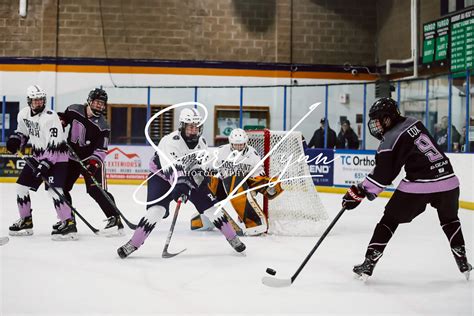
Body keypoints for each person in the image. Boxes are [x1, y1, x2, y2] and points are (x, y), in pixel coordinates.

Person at [342, 98, 472, 280]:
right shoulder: (414, 123)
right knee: (450, 220)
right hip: (449, 181)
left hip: (420, 184)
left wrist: (360, 191)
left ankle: (369, 262)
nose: (376, 125)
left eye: (378, 120)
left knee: (388, 220)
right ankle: (462, 259)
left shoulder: (391, 138)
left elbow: (384, 175)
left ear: (388, 119)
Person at [117, 108, 246, 258]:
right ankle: (133, 243)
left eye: (196, 126)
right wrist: (181, 184)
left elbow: (198, 164)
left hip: (186, 178)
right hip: (161, 176)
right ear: (182, 126)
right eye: (190, 126)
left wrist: (199, 175)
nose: (194, 130)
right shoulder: (170, 141)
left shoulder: (202, 142)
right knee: (156, 211)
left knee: (212, 208)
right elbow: (171, 169)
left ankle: (233, 238)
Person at [6, 85, 77, 240]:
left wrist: (45, 164)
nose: (38, 103)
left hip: (58, 158)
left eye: (40, 100)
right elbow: (22, 132)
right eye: (35, 100)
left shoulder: (51, 117)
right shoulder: (24, 114)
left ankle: (68, 223)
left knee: (54, 190)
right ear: (29, 101)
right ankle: (26, 220)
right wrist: (15, 140)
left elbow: (55, 144)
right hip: (38, 156)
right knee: (21, 187)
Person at [190, 128, 283, 236]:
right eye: (235, 145)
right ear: (230, 142)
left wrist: (263, 187)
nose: (238, 147)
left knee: (236, 179)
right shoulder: (221, 151)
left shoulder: (253, 155)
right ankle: (206, 218)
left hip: (242, 188)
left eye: (241, 144)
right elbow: (206, 167)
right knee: (205, 182)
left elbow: (258, 175)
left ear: (246, 142)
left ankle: (253, 222)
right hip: (223, 185)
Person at [58, 88, 124, 236]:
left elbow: (102, 149)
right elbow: (63, 117)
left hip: (90, 160)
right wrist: (61, 121)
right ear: (89, 101)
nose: (100, 106)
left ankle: (114, 218)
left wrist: (93, 164)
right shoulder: (74, 109)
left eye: (102, 104)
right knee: (62, 188)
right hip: (72, 158)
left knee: (95, 189)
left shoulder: (103, 125)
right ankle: (68, 219)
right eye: (97, 103)